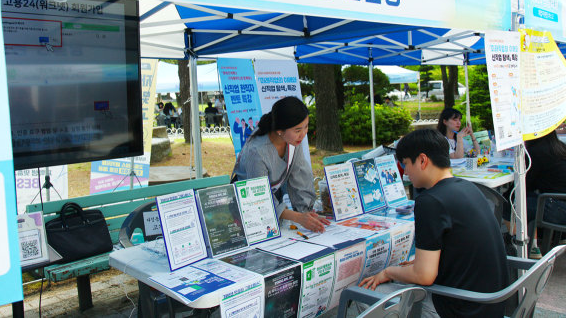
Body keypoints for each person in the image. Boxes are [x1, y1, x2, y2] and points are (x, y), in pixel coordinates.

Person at [356, 129, 509, 318]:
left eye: (405, 164)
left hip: (460, 309)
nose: (405, 174)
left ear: (422, 160)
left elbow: (424, 276)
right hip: (489, 305)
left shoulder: (430, 201)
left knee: (364, 294)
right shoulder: (468, 187)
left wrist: (388, 272)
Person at [232, 96, 330, 233]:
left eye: (306, 126)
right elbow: (260, 198)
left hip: (272, 203)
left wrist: (307, 213)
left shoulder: (293, 140)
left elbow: (300, 174)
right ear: (279, 129)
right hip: (248, 207)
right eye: (298, 130)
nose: (303, 134)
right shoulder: (257, 151)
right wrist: (299, 218)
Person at [503, 129, 566, 259]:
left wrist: (506, 194)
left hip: (558, 208)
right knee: (527, 200)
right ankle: (558, 238)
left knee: (509, 202)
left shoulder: (536, 152)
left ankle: (526, 248)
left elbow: (523, 186)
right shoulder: (560, 147)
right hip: (561, 204)